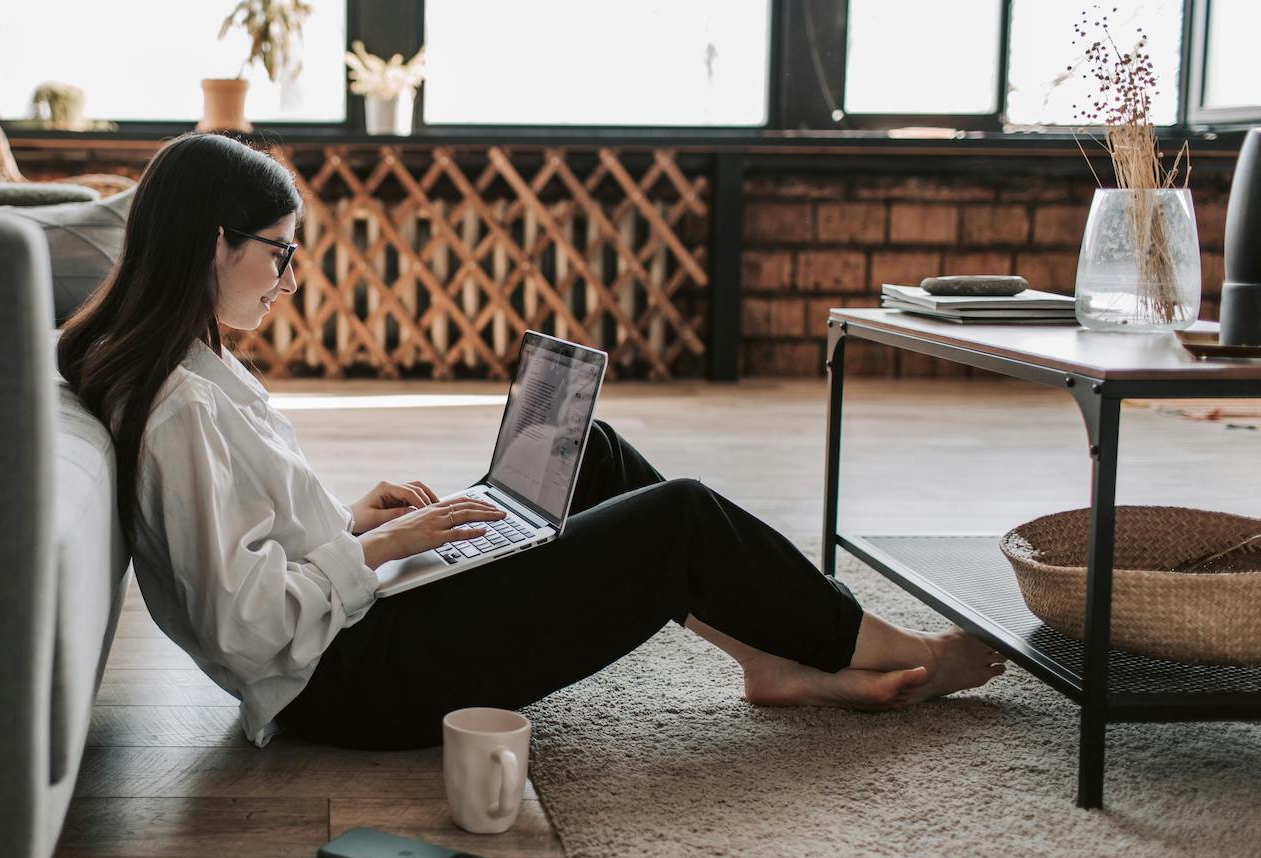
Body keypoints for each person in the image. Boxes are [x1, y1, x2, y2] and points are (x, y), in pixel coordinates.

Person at [58, 134, 1005, 752]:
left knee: (584, 449)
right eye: (281, 253)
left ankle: (767, 658)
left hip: (352, 630)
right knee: (680, 518)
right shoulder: (182, 405)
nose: (290, 278)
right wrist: (378, 551)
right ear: (213, 244)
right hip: (346, 685)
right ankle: (887, 647)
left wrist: (352, 519)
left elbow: (246, 550)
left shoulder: (194, 370)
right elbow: (244, 626)